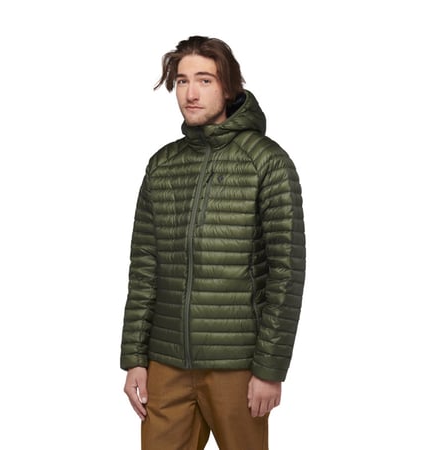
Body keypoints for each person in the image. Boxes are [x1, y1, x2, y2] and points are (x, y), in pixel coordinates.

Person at [120, 35, 306, 450]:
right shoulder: (162, 165)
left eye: (205, 80)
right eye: (182, 81)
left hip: (237, 364)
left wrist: (270, 368)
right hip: (165, 362)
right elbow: (144, 266)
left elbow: (286, 272)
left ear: (229, 86)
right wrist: (135, 358)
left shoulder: (267, 161)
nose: (191, 93)